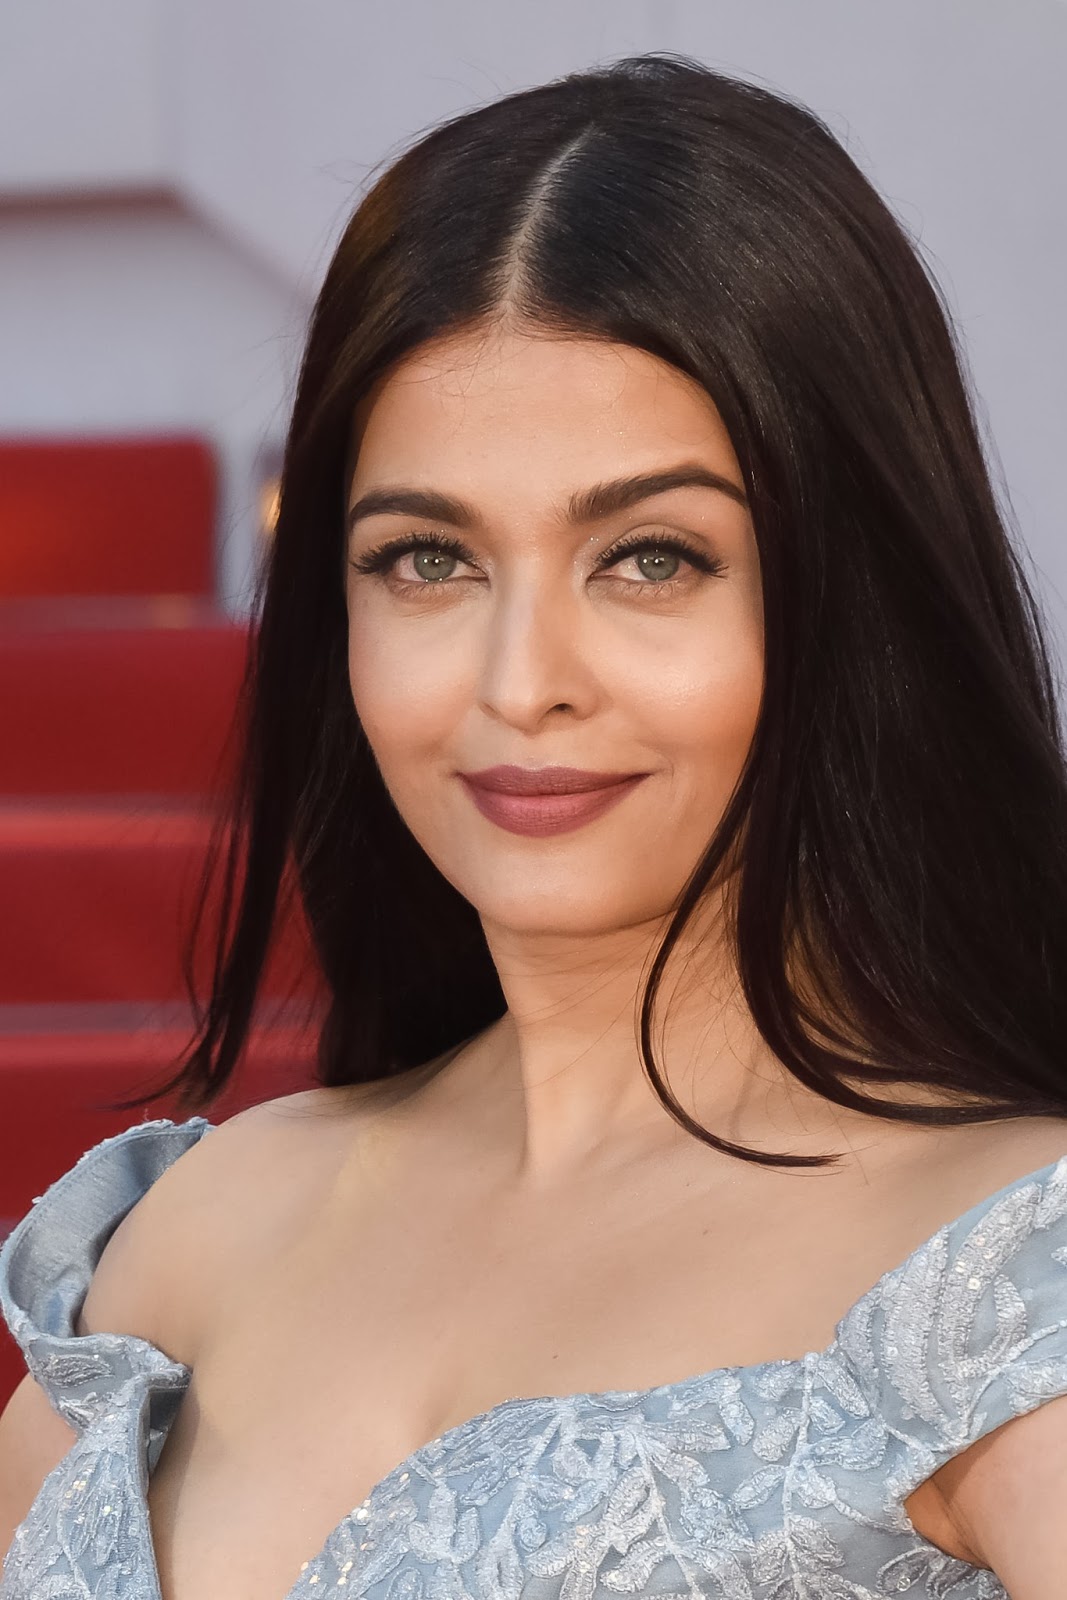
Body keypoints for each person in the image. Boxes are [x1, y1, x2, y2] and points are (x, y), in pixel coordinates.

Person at [2, 50, 1067, 1600]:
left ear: (853, 596)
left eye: (649, 557)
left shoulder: (1005, 1284)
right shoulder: (188, 1244)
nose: (522, 685)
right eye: (428, 560)